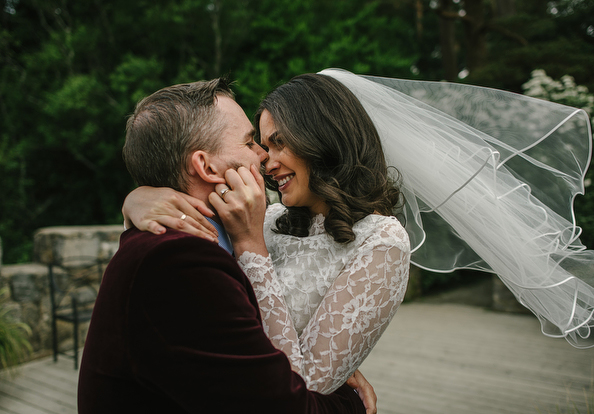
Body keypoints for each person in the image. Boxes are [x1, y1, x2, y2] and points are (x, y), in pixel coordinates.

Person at [126, 69, 594, 354]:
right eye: (260, 142)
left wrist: (254, 248)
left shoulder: (380, 242)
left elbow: (309, 386)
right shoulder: (270, 219)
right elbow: (187, 210)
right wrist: (136, 200)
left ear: (321, 142)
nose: (264, 159)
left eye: (277, 144)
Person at [77, 78, 375, 414]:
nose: (263, 157)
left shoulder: (192, 242)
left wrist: (333, 363)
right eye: (250, 143)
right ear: (205, 166)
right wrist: (349, 402)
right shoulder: (179, 262)